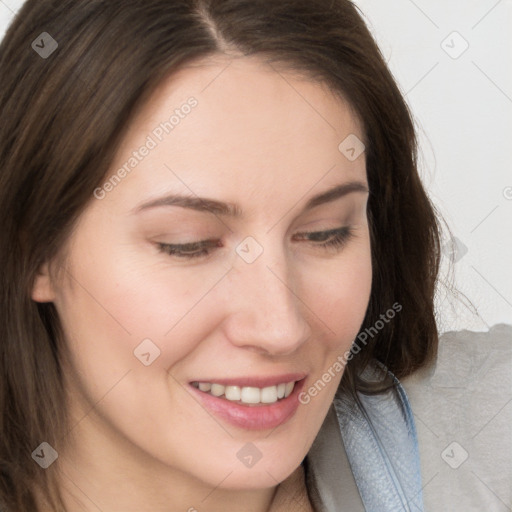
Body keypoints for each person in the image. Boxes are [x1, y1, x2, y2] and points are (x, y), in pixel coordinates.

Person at [0, 1, 510, 511]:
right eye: (188, 244)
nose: (280, 328)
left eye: (324, 233)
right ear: (35, 248)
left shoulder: (483, 440)